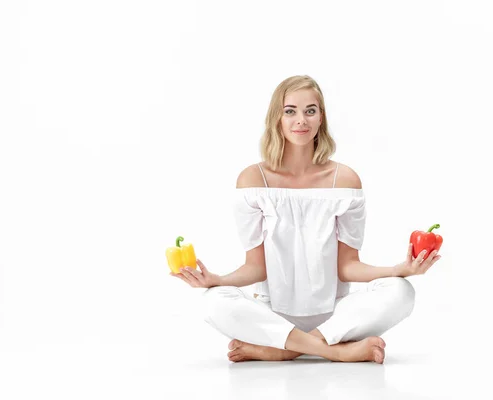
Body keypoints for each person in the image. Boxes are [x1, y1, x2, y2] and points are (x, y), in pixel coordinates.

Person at [170, 75, 441, 363]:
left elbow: (347, 267)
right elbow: (256, 268)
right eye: (291, 111)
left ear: (321, 117)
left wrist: (401, 269)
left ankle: (282, 350)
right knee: (214, 302)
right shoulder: (252, 180)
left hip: (335, 316)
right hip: (272, 314)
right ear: (277, 118)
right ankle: (333, 351)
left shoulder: (344, 180)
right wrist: (217, 279)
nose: (301, 120)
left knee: (401, 291)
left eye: (310, 110)